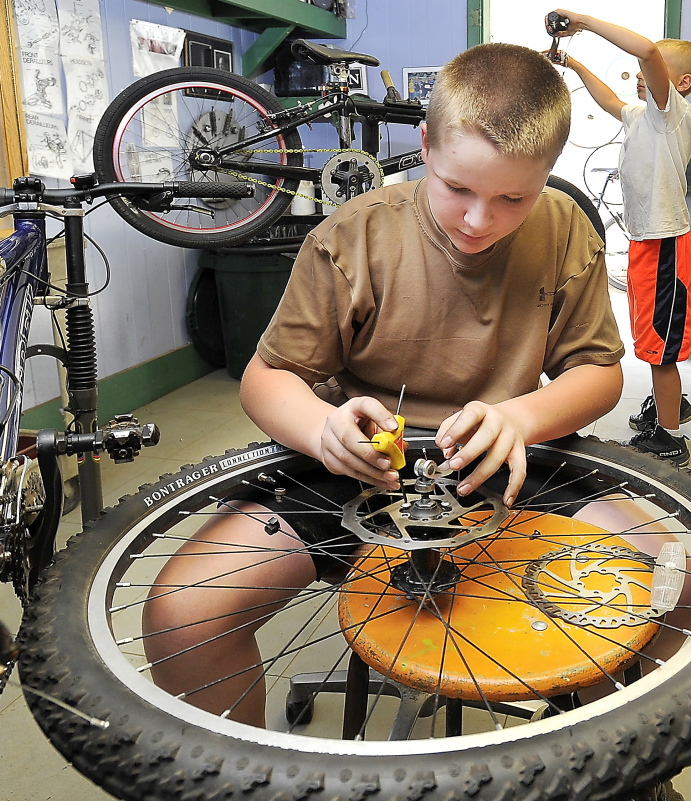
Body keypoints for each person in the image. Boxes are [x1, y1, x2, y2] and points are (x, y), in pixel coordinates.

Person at [142, 42, 624, 728]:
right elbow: (266, 376)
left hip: (515, 457)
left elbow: (598, 373)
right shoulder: (352, 236)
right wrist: (320, 429)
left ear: (548, 174)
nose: (477, 220)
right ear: (424, 145)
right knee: (181, 612)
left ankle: (614, 765)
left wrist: (520, 416)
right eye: (458, 187)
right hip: (365, 468)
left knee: (671, 582)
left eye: (512, 197)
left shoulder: (565, 228)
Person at [547, 10, 691, 466]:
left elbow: (648, 51)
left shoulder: (672, 113)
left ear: (682, 83)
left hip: (665, 245)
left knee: (660, 348)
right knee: (652, 339)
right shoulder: (643, 114)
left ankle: (669, 437)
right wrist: (573, 66)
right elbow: (609, 101)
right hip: (647, 241)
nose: (641, 74)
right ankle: (669, 405)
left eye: (651, 72)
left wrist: (583, 21)